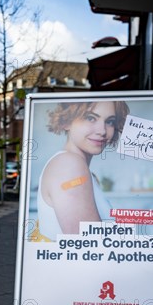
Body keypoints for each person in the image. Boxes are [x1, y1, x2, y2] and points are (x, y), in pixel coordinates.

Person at [33, 100, 129, 241]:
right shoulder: (69, 165)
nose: (102, 131)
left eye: (110, 121)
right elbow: (89, 246)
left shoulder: (74, 165)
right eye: (90, 118)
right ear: (66, 121)